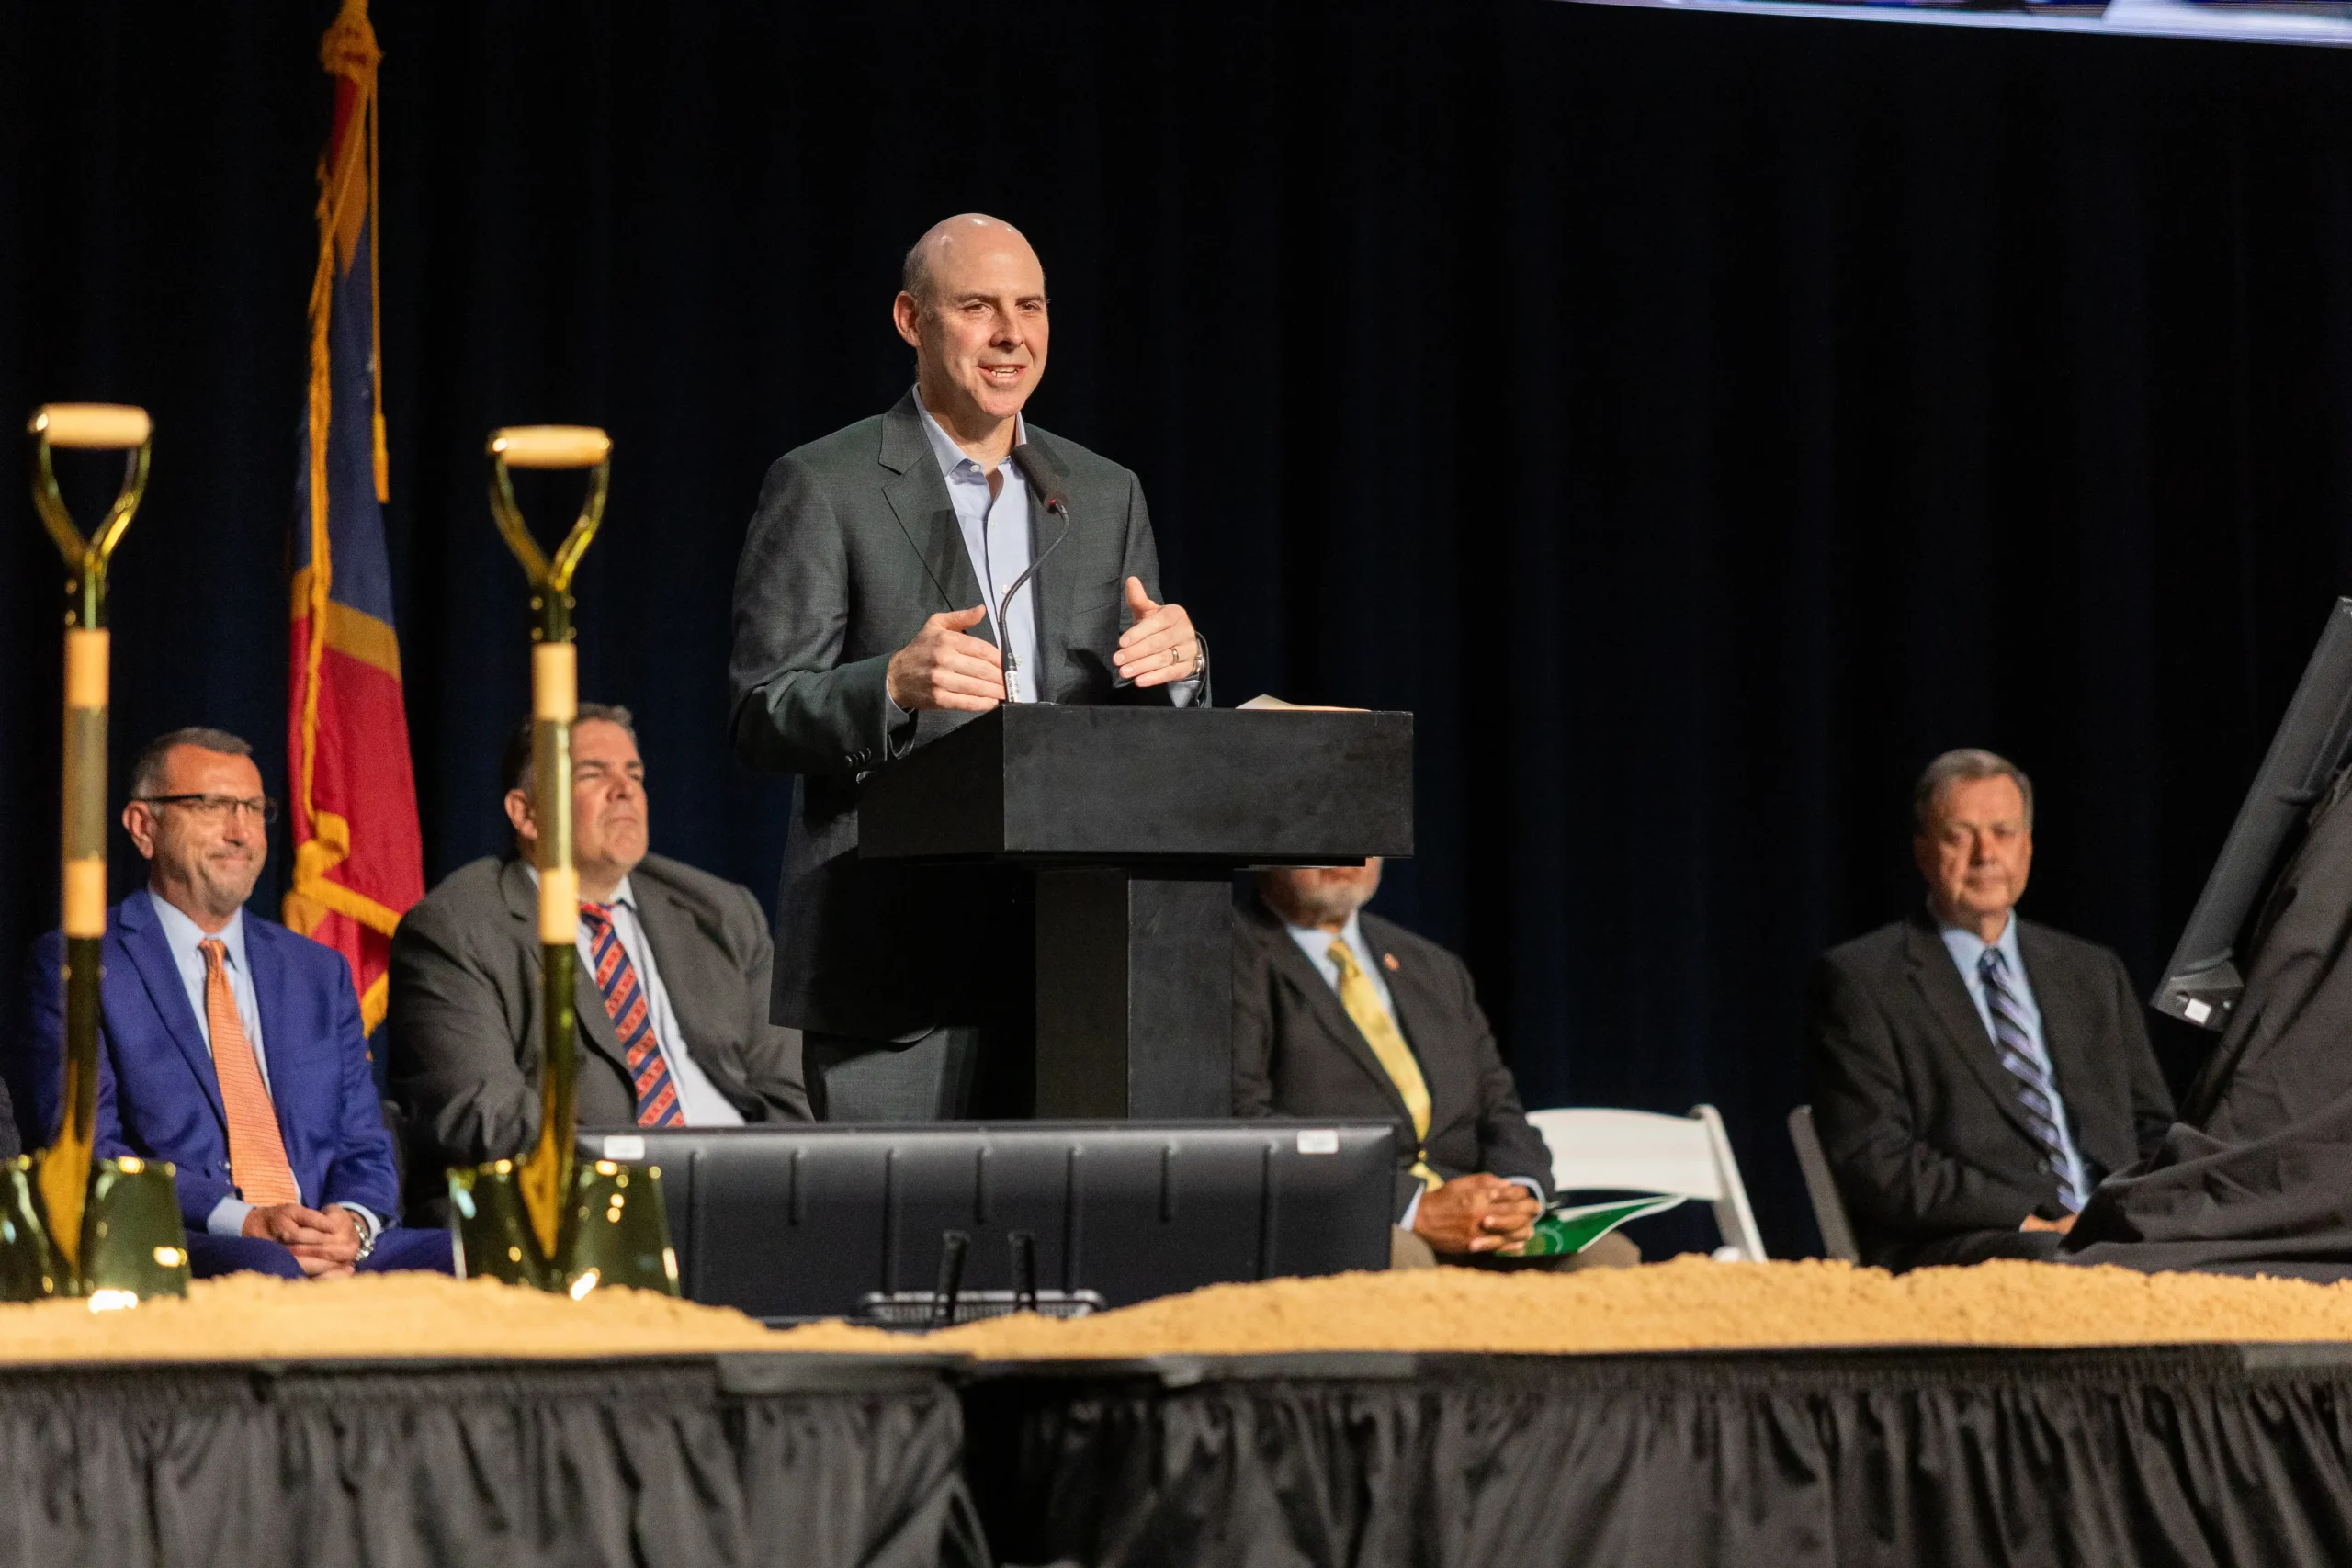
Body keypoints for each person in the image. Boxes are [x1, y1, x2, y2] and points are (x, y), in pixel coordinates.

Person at [729, 212, 1204, 1121]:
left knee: (1074, 1220)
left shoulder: (1103, 494)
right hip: (893, 979)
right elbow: (761, 711)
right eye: (978, 307)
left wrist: (1179, 668)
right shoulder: (825, 484)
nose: (1011, 334)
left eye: (1031, 307)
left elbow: (1142, 722)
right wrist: (890, 686)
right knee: (899, 1217)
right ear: (912, 320)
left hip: (1079, 965)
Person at [16, 728, 448, 1278]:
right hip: (185, 1240)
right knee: (265, 1265)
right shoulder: (81, 966)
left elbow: (363, 1142)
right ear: (144, 827)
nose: (241, 832)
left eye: (253, 808)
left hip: (331, 1243)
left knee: (479, 1255)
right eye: (213, 806)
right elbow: (89, 1152)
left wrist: (353, 1224)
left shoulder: (318, 972)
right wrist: (244, 1221)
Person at [386, 705, 808, 1218]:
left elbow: (792, 1090)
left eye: (634, 774)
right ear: (526, 813)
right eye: (593, 774)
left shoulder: (721, 912)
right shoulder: (455, 928)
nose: (624, 789)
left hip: (739, 1198)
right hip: (569, 1208)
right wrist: (648, 1177)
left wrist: (759, 1189)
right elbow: (481, 1116)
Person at [1807, 748, 2174, 1270]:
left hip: (2115, 1232)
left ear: (2027, 846)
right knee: (2062, 1260)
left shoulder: (2091, 972)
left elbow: (2152, 1127)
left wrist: (2155, 1214)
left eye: (2003, 832)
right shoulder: (1863, 980)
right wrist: (2029, 1220)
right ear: (1922, 850)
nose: (1986, 854)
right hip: (1965, 1245)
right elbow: (1875, 1155)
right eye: (1961, 835)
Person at [1233, 860, 1629, 1269]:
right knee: (1400, 1256)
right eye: (1323, 835)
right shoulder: (1227, 956)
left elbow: (1500, 1109)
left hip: (1474, 1219)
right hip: (1340, 1212)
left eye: (1367, 834)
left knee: (1606, 1257)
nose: (1347, 853)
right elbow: (1243, 1119)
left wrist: (1514, 1194)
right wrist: (1411, 1206)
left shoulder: (1433, 966)